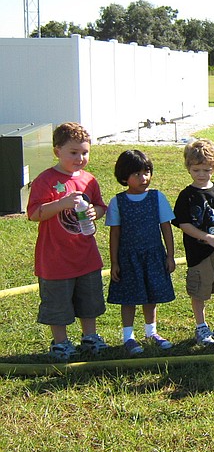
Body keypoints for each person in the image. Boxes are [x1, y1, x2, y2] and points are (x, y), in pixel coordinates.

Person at [27, 122, 109, 361]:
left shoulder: (89, 180)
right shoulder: (46, 180)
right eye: (73, 152)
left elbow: (100, 206)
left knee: (89, 299)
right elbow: (34, 214)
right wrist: (61, 204)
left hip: (86, 256)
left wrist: (96, 211)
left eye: (85, 152)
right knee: (58, 303)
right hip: (55, 258)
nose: (80, 158)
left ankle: (90, 336)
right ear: (57, 151)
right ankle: (61, 342)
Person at [106, 149, 176, 355]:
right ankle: (128, 336)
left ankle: (151, 332)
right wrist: (114, 262)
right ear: (124, 177)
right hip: (128, 257)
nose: (143, 178)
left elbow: (166, 227)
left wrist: (170, 255)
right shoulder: (117, 202)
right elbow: (115, 234)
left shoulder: (157, 198)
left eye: (146, 172)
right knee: (129, 298)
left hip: (153, 255)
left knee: (150, 294)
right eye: (137, 174)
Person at [173, 139, 214, 346]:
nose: (201, 174)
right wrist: (207, 238)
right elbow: (183, 223)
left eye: (206, 169)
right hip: (198, 253)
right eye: (196, 170)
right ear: (188, 168)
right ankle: (201, 326)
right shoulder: (187, 196)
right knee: (199, 291)